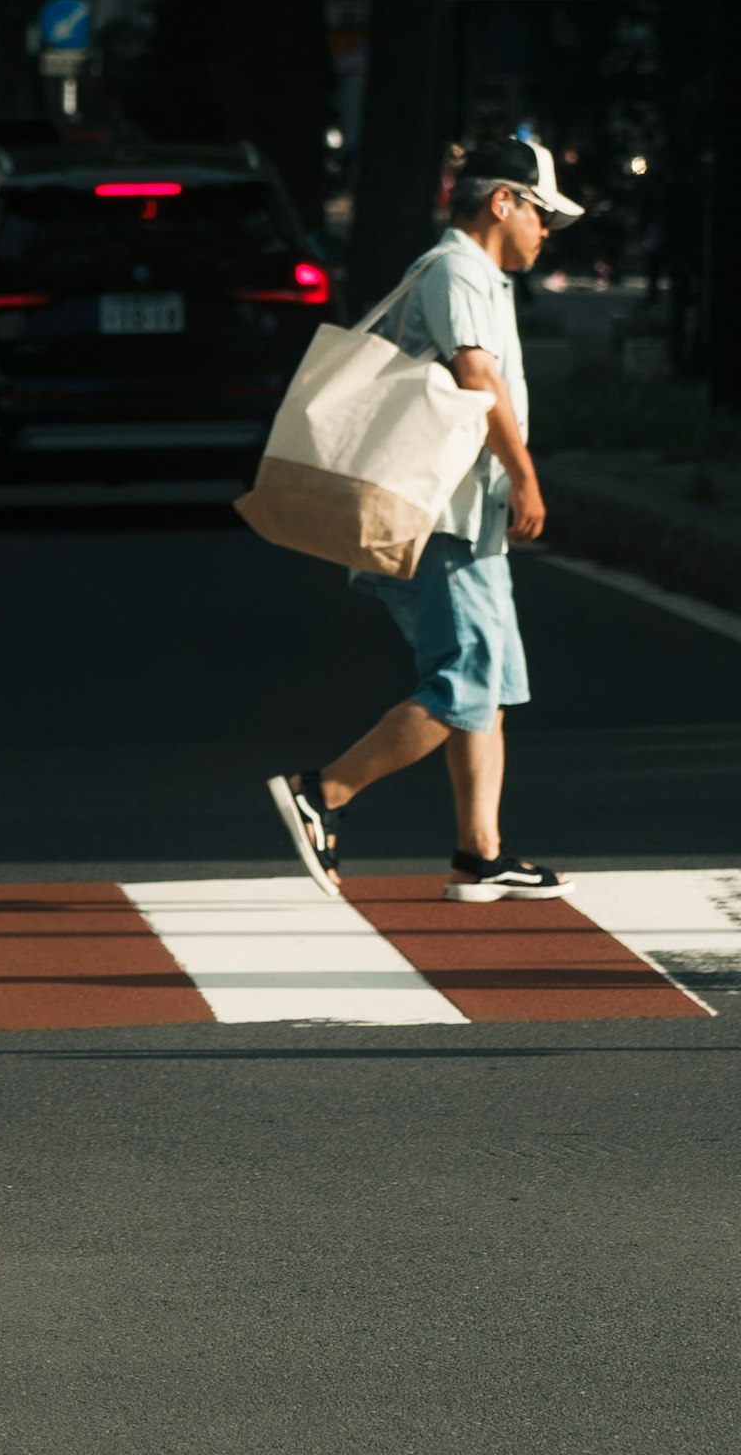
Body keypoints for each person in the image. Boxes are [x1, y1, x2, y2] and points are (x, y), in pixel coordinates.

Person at [264, 134, 581, 904]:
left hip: (472, 515)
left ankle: (480, 854)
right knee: (464, 682)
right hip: (442, 514)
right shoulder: (456, 271)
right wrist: (526, 475)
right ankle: (323, 791)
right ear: (502, 201)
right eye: (542, 212)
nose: (547, 231)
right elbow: (477, 379)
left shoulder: (477, 277)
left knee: (492, 684)